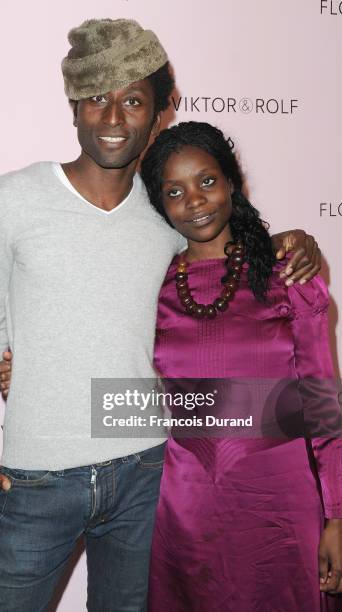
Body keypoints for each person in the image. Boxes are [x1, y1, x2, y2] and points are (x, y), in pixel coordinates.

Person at [0, 17, 321, 612]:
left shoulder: (168, 211)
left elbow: (231, 287)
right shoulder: (12, 198)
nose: (114, 118)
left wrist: (293, 241)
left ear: (159, 111)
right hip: (39, 479)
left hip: (148, 473)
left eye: (132, 100)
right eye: (96, 98)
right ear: (73, 106)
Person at [140, 121, 342, 611]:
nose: (195, 200)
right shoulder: (149, 290)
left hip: (283, 509)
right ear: (161, 205)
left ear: (232, 182)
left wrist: (337, 515)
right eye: (175, 191)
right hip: (182, 514)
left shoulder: (287, 275)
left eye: (207, 181)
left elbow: (322, 403)